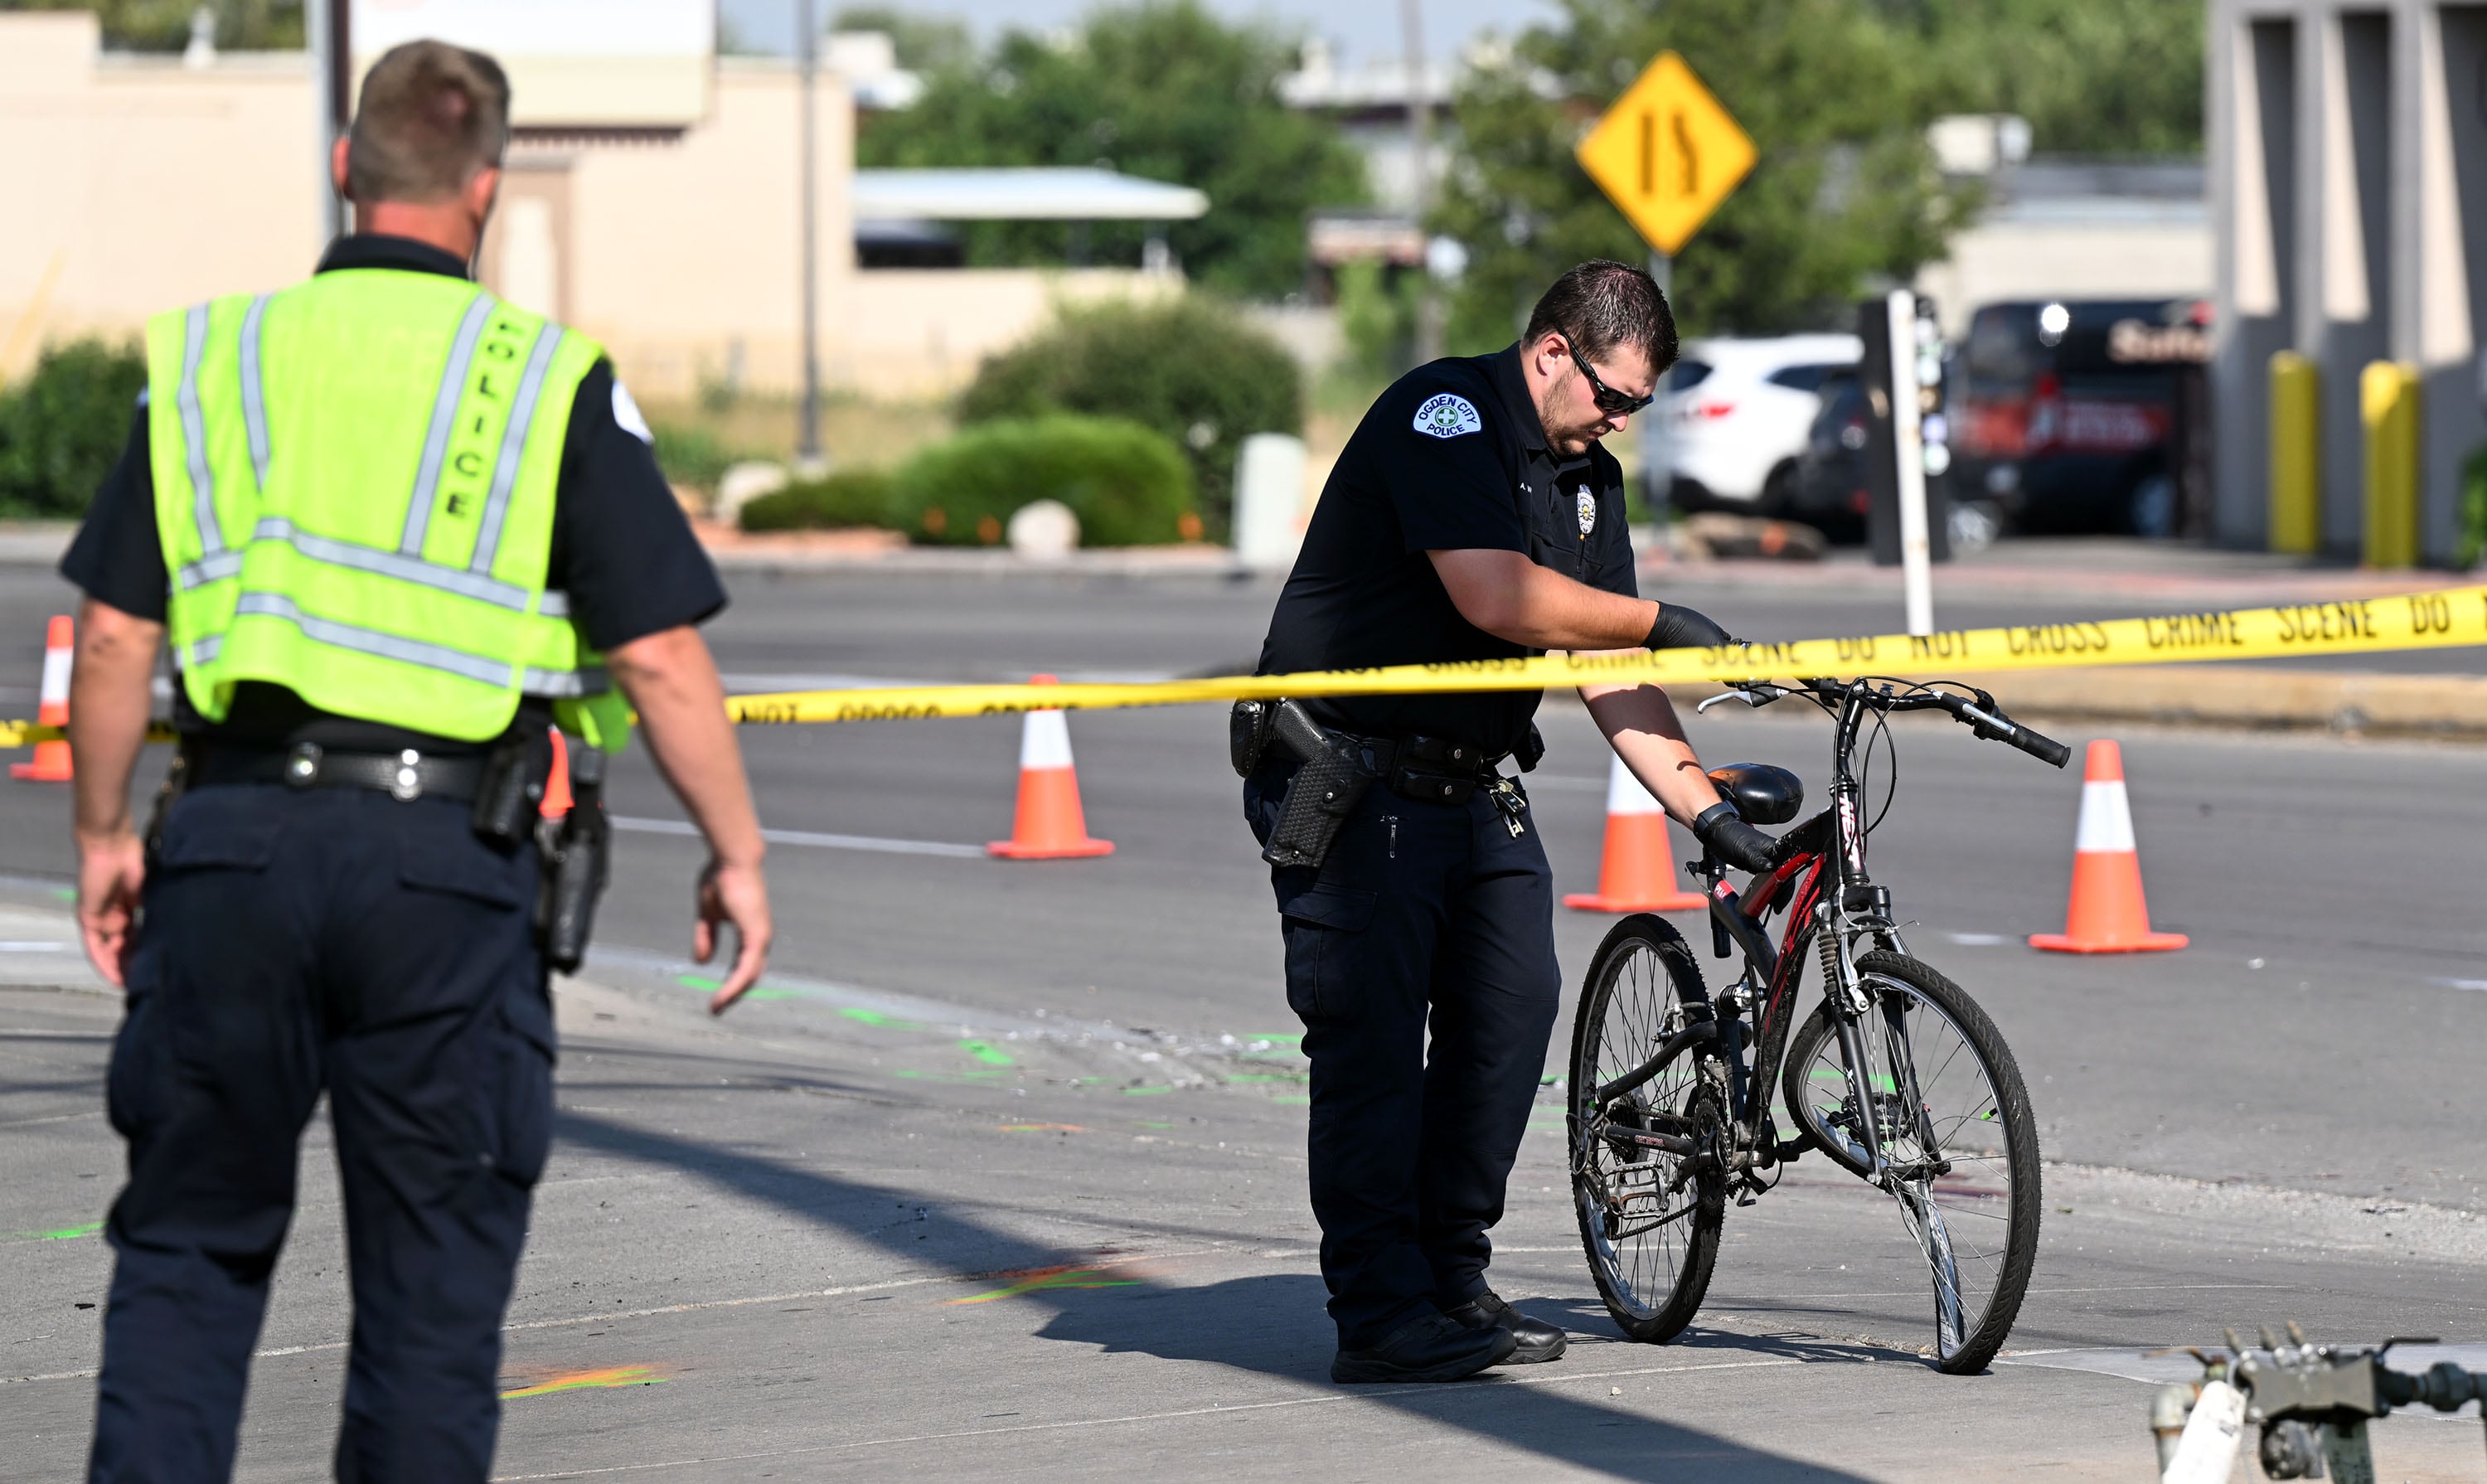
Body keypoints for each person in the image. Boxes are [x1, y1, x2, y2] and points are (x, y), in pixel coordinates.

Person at [61, 41, 773, 1482]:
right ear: (488, 190)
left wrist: (103, 832)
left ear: (346, 167)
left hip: (234, 847)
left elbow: (118, 634)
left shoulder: (210, 358)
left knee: (187, 1264)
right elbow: (658, 657)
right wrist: (738, 854)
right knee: (430, 1303)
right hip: (443, 872)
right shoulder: (543, 378)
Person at [1242, 260, 1776, 1385]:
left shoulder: (1588, 479)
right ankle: (1382, 1309)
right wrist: (1656, 615)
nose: (1619, 422)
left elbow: (1611, 668)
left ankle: (1448, 1273)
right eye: (1613, 397)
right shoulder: (1446, 415)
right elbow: (1497, 594)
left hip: (1471, 781)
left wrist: (1705, 808)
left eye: (1635, 408)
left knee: (1510, 1018)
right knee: (1373, 1048)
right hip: (1356, 779)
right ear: (1552, 353)